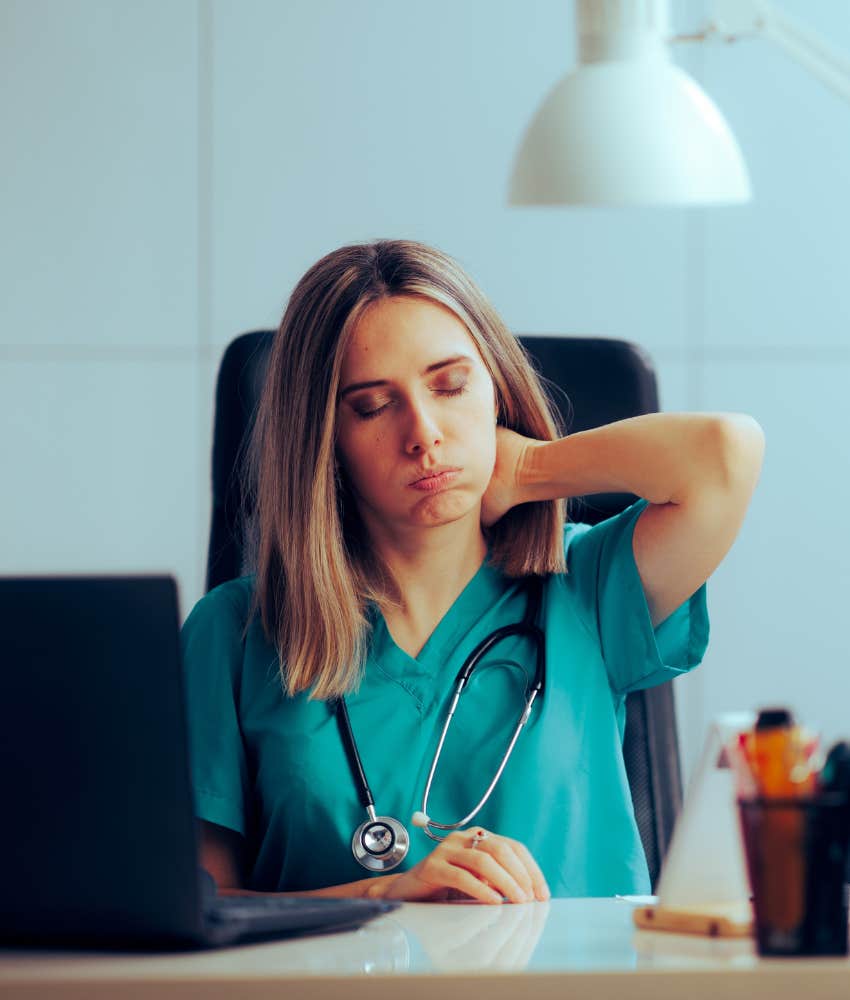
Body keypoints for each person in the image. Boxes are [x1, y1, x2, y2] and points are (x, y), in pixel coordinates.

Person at [181, 239, 765, 904]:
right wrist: (383, 898)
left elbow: (726, 455)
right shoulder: (232, 633)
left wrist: (525, 470)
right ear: (323, 440)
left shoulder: (585, 584)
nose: (423, 433)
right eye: (372, 405)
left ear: (495, 392)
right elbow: (201, 911)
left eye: (451, 385)